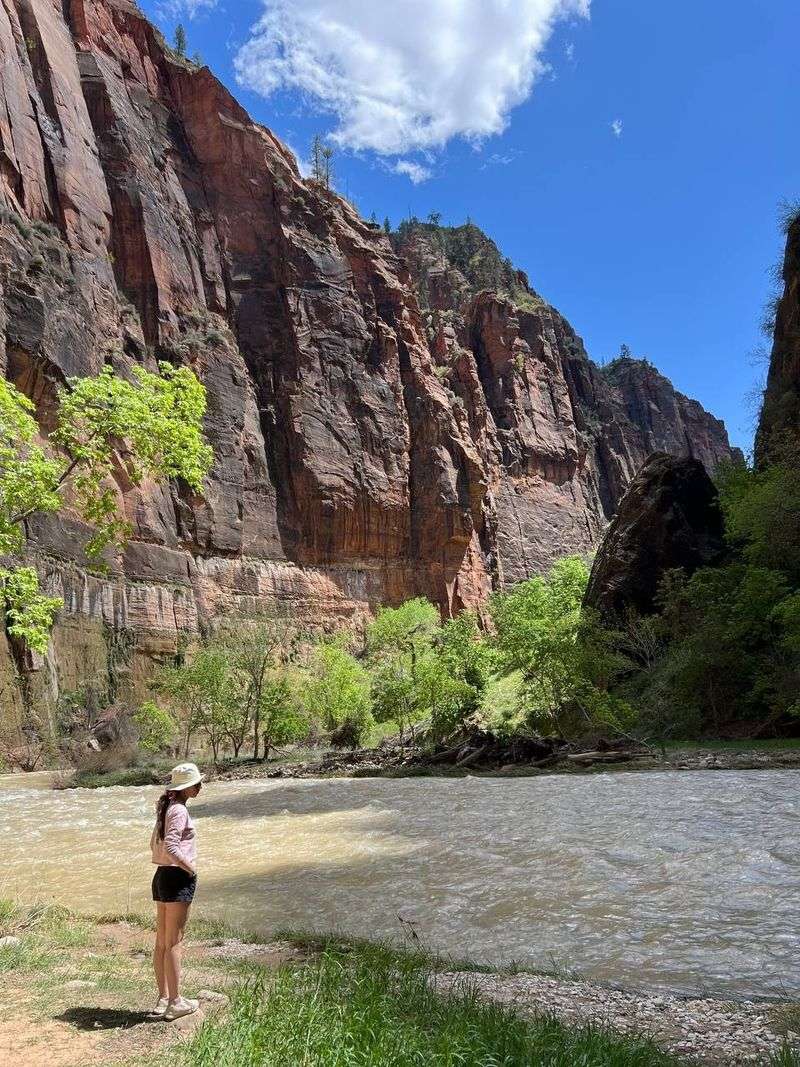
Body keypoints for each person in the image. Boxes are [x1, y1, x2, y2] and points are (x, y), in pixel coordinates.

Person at [149, 761, 203, 1021]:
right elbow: (172, 845)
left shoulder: (167, 807)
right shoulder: (179, 810)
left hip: (161, 875)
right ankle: (176, 1002)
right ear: (186, 788)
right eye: (196, 783)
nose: (200, 787)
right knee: (174, 943)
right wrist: (189, 868)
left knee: (162, 942)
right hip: (176, 877)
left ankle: (163, 998)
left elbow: (155, 844)